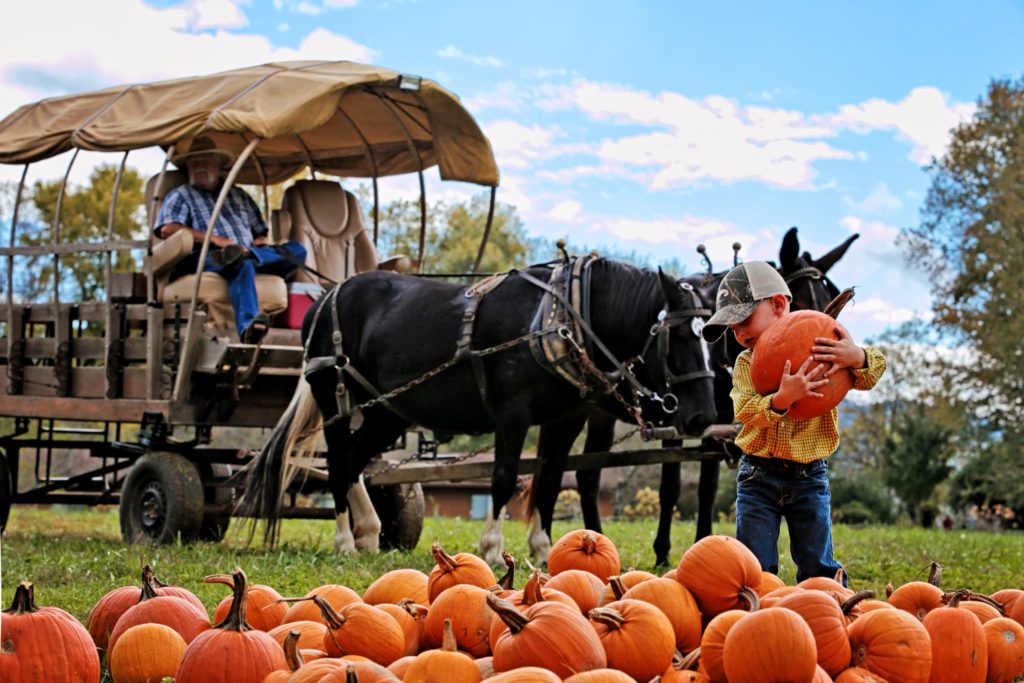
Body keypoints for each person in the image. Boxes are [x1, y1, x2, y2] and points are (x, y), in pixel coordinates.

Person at [701, 261, 886, 584]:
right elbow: (744, 409)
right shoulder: (746, 363)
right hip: (758, 476)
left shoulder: (822, 343)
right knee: (756, 565)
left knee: (817, 561)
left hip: (809, 475)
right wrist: (781, 399)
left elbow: (873, 372)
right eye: (733, 329)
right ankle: (758, 614)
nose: (740, 332)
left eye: (744, 319)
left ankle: (830, 604)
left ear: (777, 304)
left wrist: (855, 357)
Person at [156, 136, 307, 344]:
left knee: (298, 251)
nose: (198, 166)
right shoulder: (182, 195)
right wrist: (215, 239)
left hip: (246, 254)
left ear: (218, 165)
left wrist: (259, 241)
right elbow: (167, 229)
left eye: (204, 161)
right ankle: (248, 327)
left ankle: (247, 255)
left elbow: (260, 230)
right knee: (240, 263)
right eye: (193, 162)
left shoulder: (238, 195)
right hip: (204, 258)